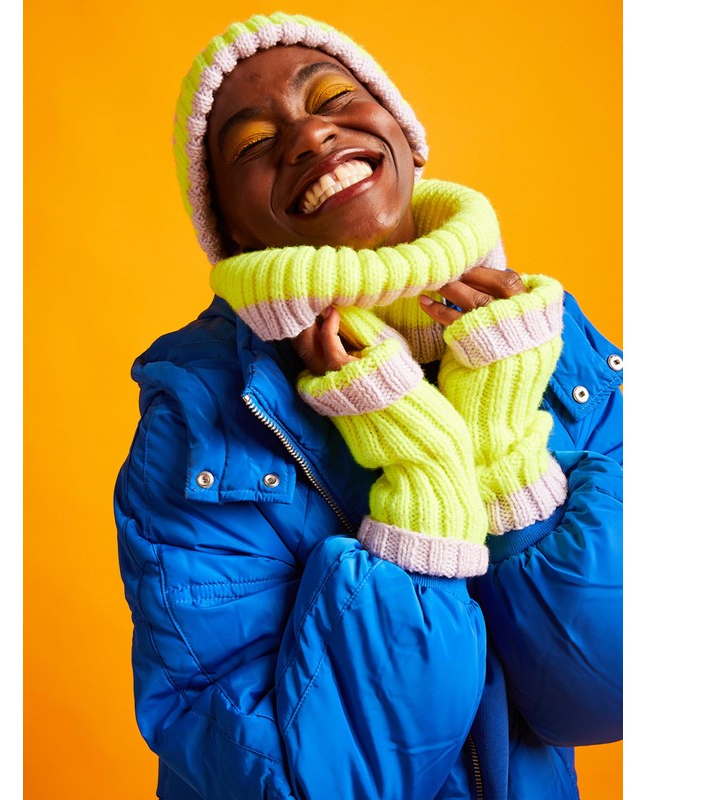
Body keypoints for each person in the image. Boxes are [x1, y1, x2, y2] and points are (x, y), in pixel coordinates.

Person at [114, 12, 623, 800]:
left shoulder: (544, 340)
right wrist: (423, 482)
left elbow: (608, 689)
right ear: (232, 233)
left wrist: (501, 447)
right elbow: (310, 785)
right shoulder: (201, 421)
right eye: (253, 144)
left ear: (405, 139)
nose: (309, 134)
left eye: (332, 98)